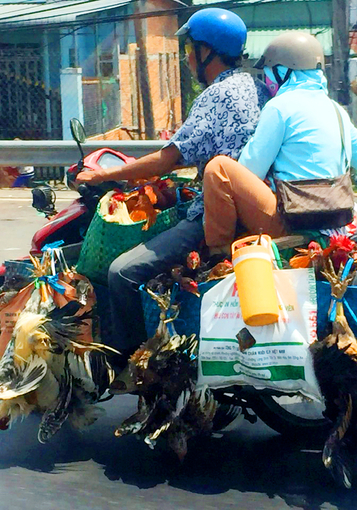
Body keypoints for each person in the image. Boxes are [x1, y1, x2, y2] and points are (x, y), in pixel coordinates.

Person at [75, 8, 270, 355]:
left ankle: (131, 363)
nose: (186, 58)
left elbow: (170, 158)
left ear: (206, 51)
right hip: (251, 207)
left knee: (122, 272)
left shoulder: (217, 95)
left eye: (189, 49)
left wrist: (105, 174)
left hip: (212, 215)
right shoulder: (254, 86)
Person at [202, 32, 357, 255]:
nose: (267, 80)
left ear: (283, 72)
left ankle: (218, 251)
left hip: (291, 224)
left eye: (268, 72)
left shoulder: (279, 107)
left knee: (219, 168)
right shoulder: (336, 110)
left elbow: (251, 170)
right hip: (336, 226)